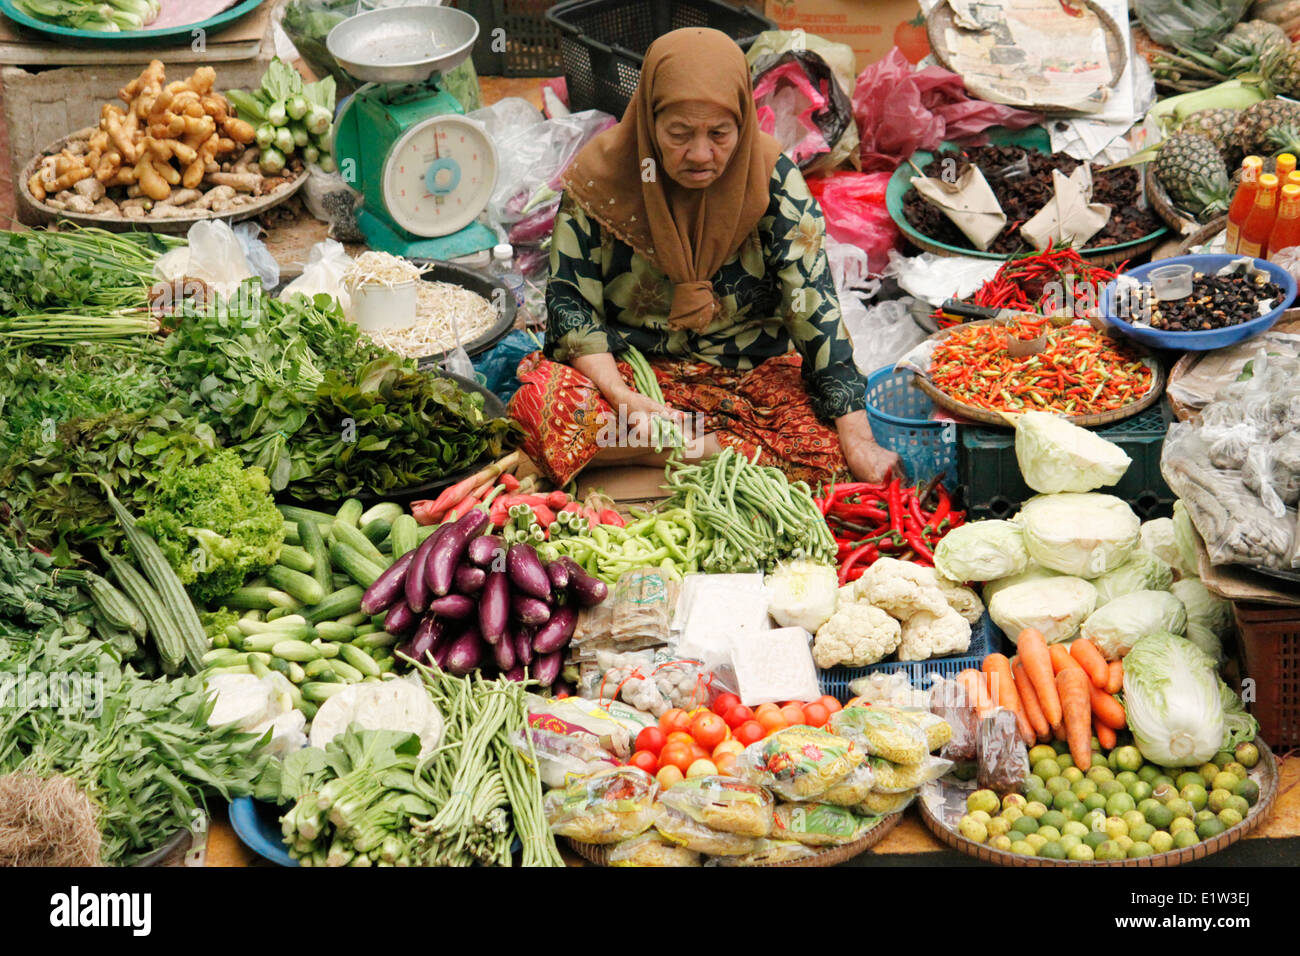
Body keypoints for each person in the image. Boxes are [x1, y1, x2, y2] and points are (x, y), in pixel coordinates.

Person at [508, 27, 903, 488]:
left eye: (719, 133)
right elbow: (570, 305)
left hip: (748, 379)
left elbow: (812, 306)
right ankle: (715, 451)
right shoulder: (603, 179)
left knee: (825, 453)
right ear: (649, 122)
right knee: (541, 411)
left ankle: (656, 450)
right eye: (678, 134)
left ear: (743, 120)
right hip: (633, 374)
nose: (700, 154)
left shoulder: (772, 179)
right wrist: (620, 396)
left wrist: (857, 438)